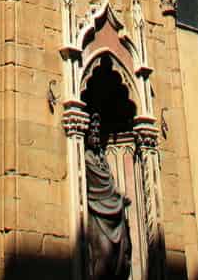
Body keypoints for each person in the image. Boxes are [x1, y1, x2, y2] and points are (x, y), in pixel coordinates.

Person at [83, 116, 132, 280]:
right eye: (93, 132)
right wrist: (116, 199)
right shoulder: (87, 157)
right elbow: (99, 184)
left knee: (119, 258)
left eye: (98, 132)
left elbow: (109, 180)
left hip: (114, 213)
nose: (96, 135)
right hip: (98, 212)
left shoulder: (103, 157)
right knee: (104, 255)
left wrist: (118, 197)